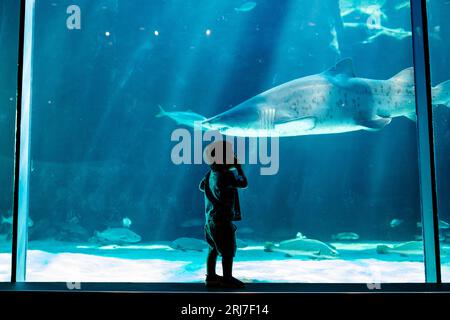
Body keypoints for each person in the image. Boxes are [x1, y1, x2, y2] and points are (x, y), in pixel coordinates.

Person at [199, 141, 248, 288]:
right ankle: (227, 278)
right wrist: (239, 168)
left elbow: (201, 187)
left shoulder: (210, 174)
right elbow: (244, 183)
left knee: (213, 247)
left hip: (210, 220)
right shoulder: (227, 177)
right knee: (227, 250)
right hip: (222, 220)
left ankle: (211, 277)